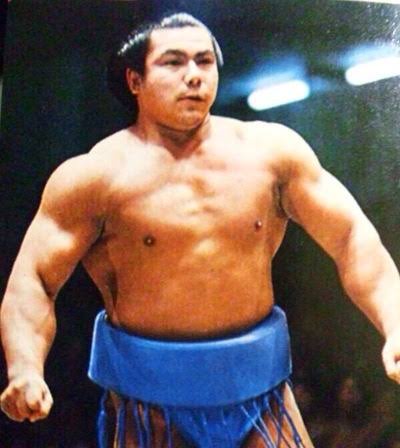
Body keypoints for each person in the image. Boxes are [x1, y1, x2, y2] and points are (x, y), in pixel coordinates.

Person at [1, 12, 400, 448]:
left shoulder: (272, 154)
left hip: (261, 394)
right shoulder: (94, 178)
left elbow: (351, 238)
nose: (193, 75)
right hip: (147, 405)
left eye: (204, 61)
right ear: (135, 80)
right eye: (173, 62)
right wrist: (25, 367)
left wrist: (395, 323)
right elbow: (34, 280)